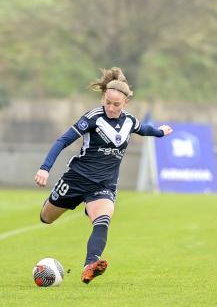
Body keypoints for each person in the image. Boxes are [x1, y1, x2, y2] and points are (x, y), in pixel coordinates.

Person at [34, 67, 173, 284]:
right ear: (103, 97)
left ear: (125, 103)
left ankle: (90, 264)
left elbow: (144, 129)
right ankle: (68, 205)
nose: (110, 107)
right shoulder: (92, 118)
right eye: (107, 102)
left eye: (116, 104)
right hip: (77, 179)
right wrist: (45, 167)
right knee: (46, 218)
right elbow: (63, 140)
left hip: (104, 185)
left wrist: (160, 132)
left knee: (103, 219)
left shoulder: (129, 121)